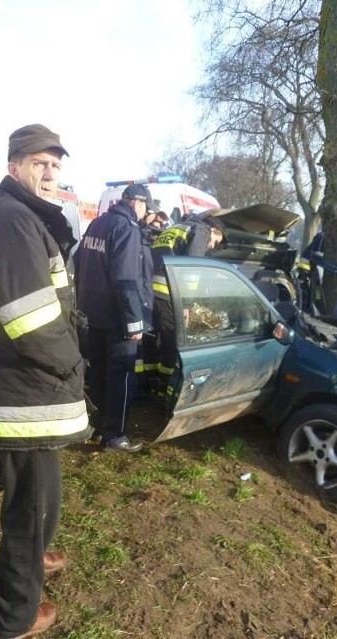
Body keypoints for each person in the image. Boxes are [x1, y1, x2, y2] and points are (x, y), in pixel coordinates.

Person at [0, 124, 89, 639]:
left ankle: (34, 559)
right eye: (39, 163)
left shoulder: (14, 216)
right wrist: (72, 366)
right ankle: (17, 614)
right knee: (29, 507)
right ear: (13, 166)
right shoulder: (14, 220)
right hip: (28, 389)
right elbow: (27, 317)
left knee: (40, 495)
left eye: (56, 164)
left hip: (26, 387)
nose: (50, 173)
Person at [74, 183, 156, 453]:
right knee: (121, 378)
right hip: (118, 319)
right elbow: (126, 280)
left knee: (98, 375)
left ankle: (98, 427)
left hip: (93, 316)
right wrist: (135, 323)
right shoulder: (127, 229)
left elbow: (78, 263)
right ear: (138, 204)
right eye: (146, 208)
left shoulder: (97, 224)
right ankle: (115, 436)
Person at [150, 211, 225, 401]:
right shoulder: (202, 230)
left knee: (155, 341)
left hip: (150, 290)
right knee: (170, 343)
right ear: (214, 230)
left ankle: (152, 384)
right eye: (215, 241)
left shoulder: (176, 227)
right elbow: (191, 269)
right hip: (168, 293)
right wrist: (186, 304)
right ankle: (164, 390)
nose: (211, 246)